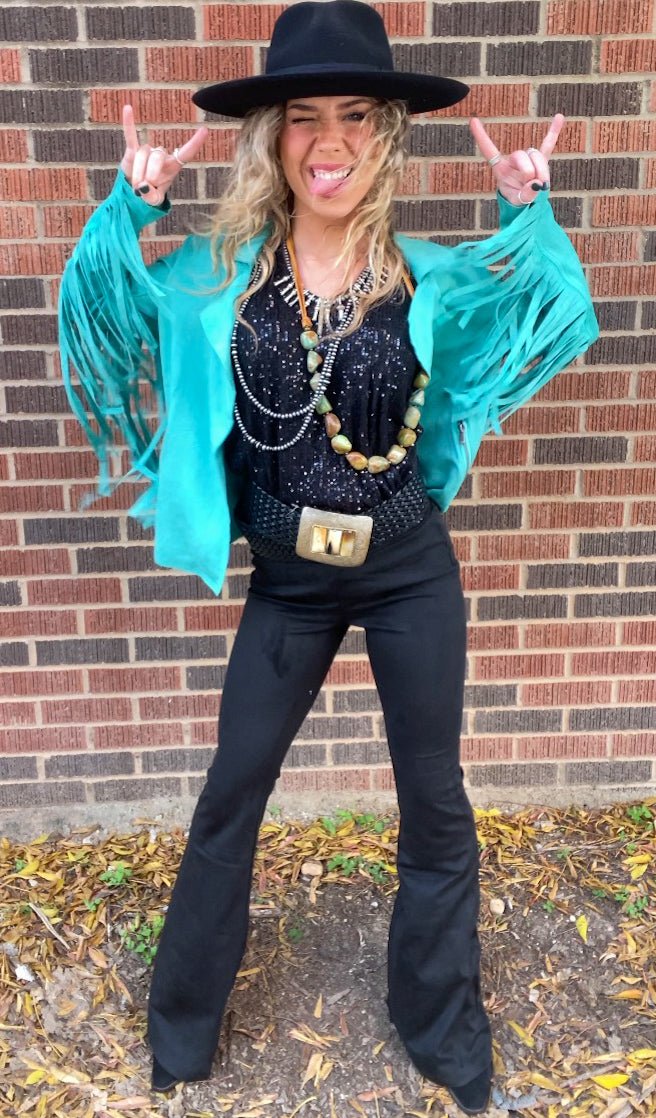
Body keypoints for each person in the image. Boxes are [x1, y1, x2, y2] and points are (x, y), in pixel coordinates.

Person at [58, 2, 599, 1113]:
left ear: (385, 134)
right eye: (304, 116)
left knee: (435, 800)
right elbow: (103, 303)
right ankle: (181, 1034)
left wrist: (527, 214)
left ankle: (444, 1035)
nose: (329, 140)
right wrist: (130, 207)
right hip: (289, 584)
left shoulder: (424, 276)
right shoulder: (220, 278)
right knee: (231, 791)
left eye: (355, 114)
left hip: (407, 571)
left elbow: (550, 300)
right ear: (273, 137)